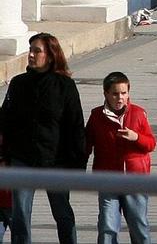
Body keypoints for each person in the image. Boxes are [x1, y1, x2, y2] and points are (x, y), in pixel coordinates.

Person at [1, 32, 87, 243]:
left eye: (37, 51)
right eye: (30, 50)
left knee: (62, 213)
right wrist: (4, 156)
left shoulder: (65, 86)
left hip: (56, 161)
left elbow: (75, 126)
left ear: (50, 55)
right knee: (20, 214)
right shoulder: (18, 83)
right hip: (23, 159)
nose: (31, 55)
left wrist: (77, 165)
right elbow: (5, 120)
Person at [86, 71, 154, 244]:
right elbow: (86, 144)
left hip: (135, 179)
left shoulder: (138, 113)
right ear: (106, 94)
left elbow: (151, 144)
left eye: (124, 93)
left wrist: (136, 137)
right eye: (115, 93)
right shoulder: (96, 116)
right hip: (108, 179)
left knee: (139, 226)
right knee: (107, 227)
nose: (120, 98)